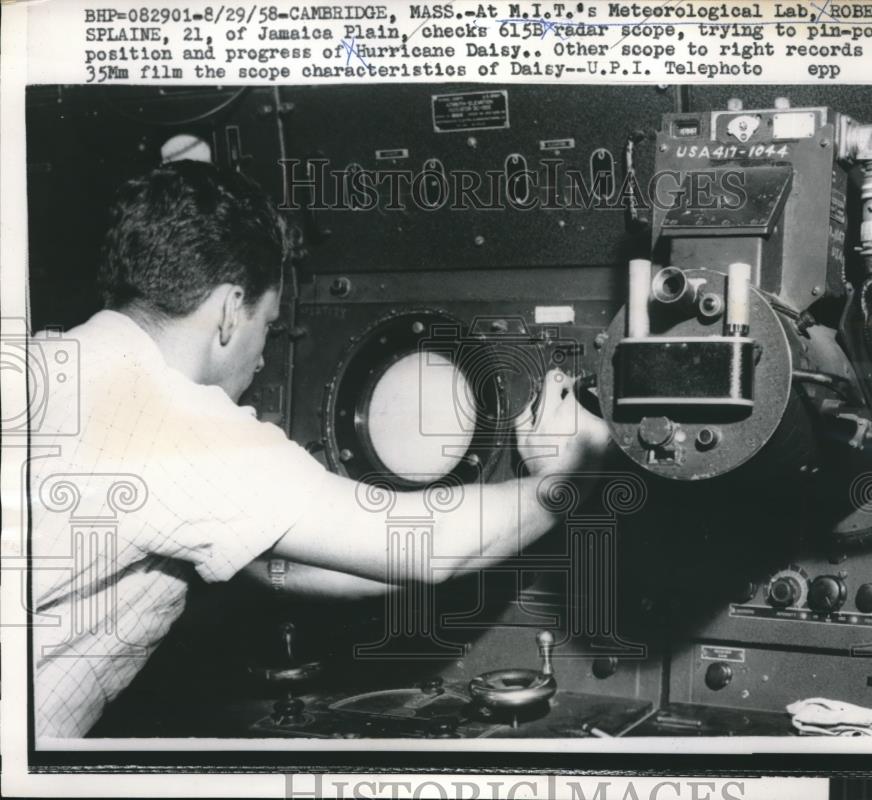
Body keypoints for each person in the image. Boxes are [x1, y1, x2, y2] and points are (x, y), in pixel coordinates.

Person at [28, 160, 610, 740]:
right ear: (231, 310)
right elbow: (433, 546)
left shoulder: (41, 363)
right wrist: (566, 473)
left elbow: (281, 562)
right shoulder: (176, 419)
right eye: (269, 326)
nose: (260, 360)